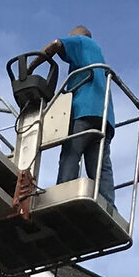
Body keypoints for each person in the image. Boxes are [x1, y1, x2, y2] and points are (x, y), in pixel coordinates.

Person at [49, 26, 117, 206]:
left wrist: (33, 65)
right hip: (104, 116)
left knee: (71, 153)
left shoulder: (82, 42)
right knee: (100, 165)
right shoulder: (96, 54)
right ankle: (108, 204)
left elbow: (56, 44)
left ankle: (62, 195)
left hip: (85, 110)